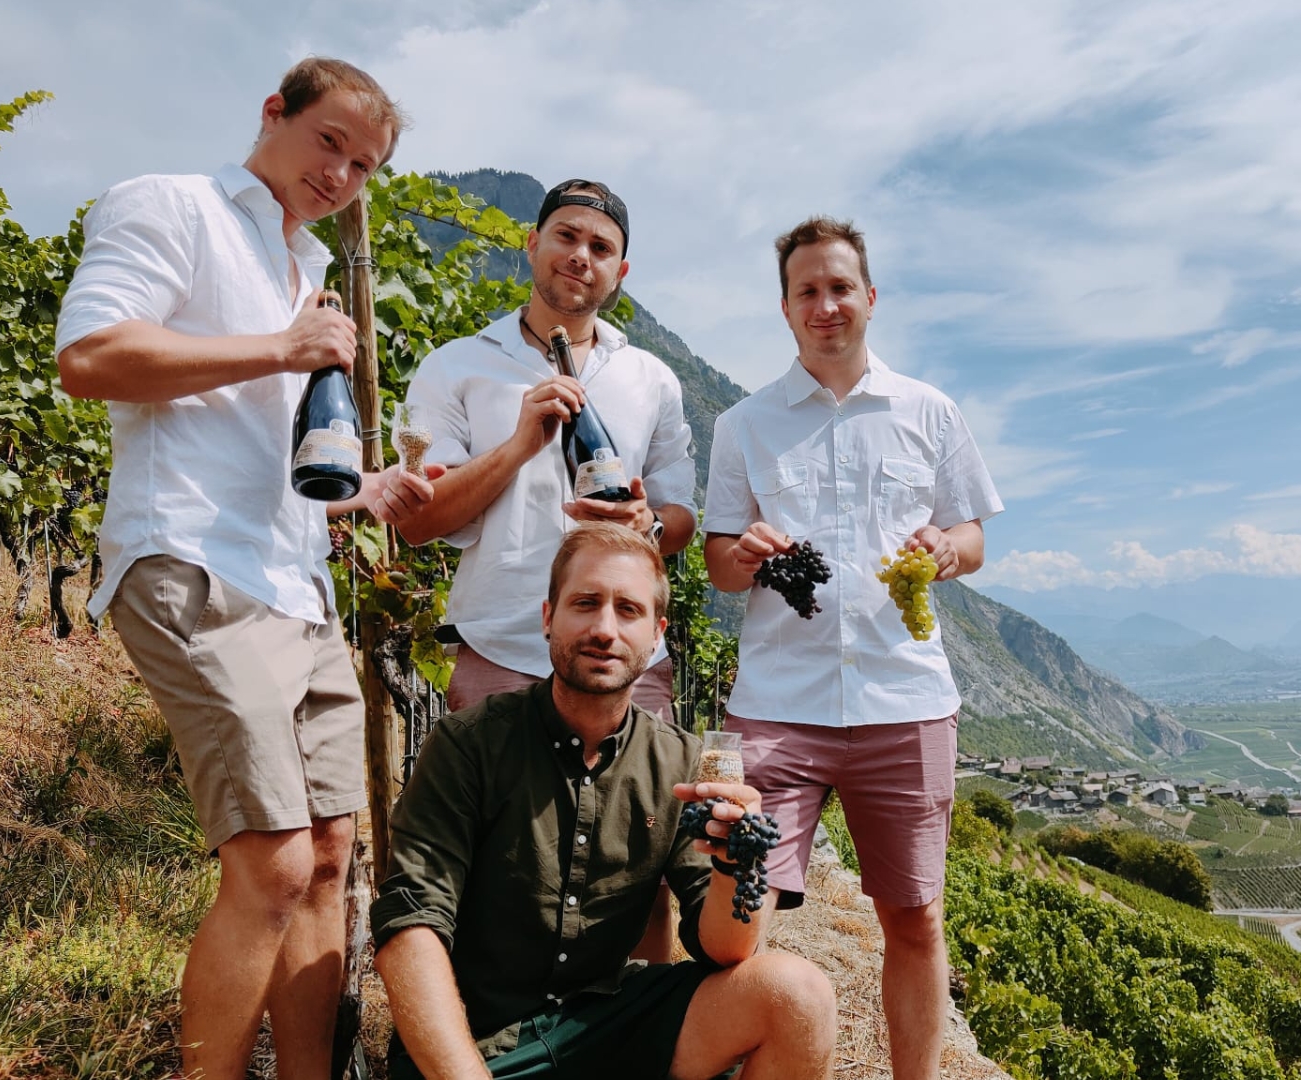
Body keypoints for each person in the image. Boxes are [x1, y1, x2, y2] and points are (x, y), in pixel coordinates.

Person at [56, 58, 436, 1080]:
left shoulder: (300, 269)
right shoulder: (171, 206)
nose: (341, 175)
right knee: (269, 865)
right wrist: (280, 347)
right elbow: (90, 357)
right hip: (192, 564)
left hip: (298, 588)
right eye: (329, 143)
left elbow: (259, 448)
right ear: (274, 112)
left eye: (362, 165)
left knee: (324, 867)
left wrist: (366, 490)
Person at [701, 216, 1002, 1080]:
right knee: (740, 917)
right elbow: (721, 566)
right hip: (777, 708)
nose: (826, 305)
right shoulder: (744, 425)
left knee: (914, 919)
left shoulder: (930, 411)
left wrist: (948, 550)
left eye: (840, 287)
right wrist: (745, 554)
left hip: (903, 703)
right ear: (786, 309)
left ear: (869, 297)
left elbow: (973, 536)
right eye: (807, 291)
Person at [372, 523, 835, 1080]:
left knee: (798, 995)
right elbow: (410, 929)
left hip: (603, 1027)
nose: (604, 629)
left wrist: (735, 865)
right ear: (548, 618)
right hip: (482, 1047)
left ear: (656, 634)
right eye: (585, 603)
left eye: (629, 610)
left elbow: (726, 953)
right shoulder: (467, 746)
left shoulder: (679, 763)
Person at [388, 179, 696, 719]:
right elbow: (417, 523)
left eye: (601, 248)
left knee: (639, 806)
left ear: (619, 272)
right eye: (567, 237)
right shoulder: (456, 366)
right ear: (533, 243)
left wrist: (646, 522)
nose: (581, 256)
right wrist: (518, 446)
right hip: (499, 649)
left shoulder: (652, 379)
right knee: (492, 806)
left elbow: (683, 522)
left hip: (627, 655)